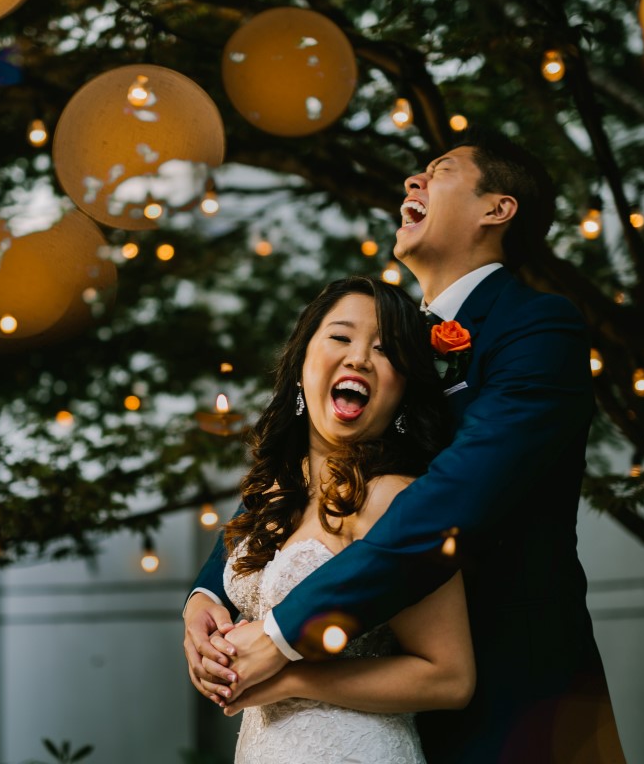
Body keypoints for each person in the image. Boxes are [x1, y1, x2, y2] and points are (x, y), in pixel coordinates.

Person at [184, 130, 626, 762]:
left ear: (496, 210)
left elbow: (453, 498)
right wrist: (208, 593)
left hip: (517, 696)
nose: (411, 183)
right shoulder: (390, 341)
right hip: (386, 701)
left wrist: (284, 633)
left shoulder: (537, 327)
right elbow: (316, 480)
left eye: (438, 172)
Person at [199, 275, 474, 763]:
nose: (359, 358)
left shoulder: (397, 501)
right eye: (341, 337)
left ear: (405, 388)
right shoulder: (272, 493)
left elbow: (448, 676)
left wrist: (290, 677)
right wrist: (212, 648)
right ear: (303, 364)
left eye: (385, 350)